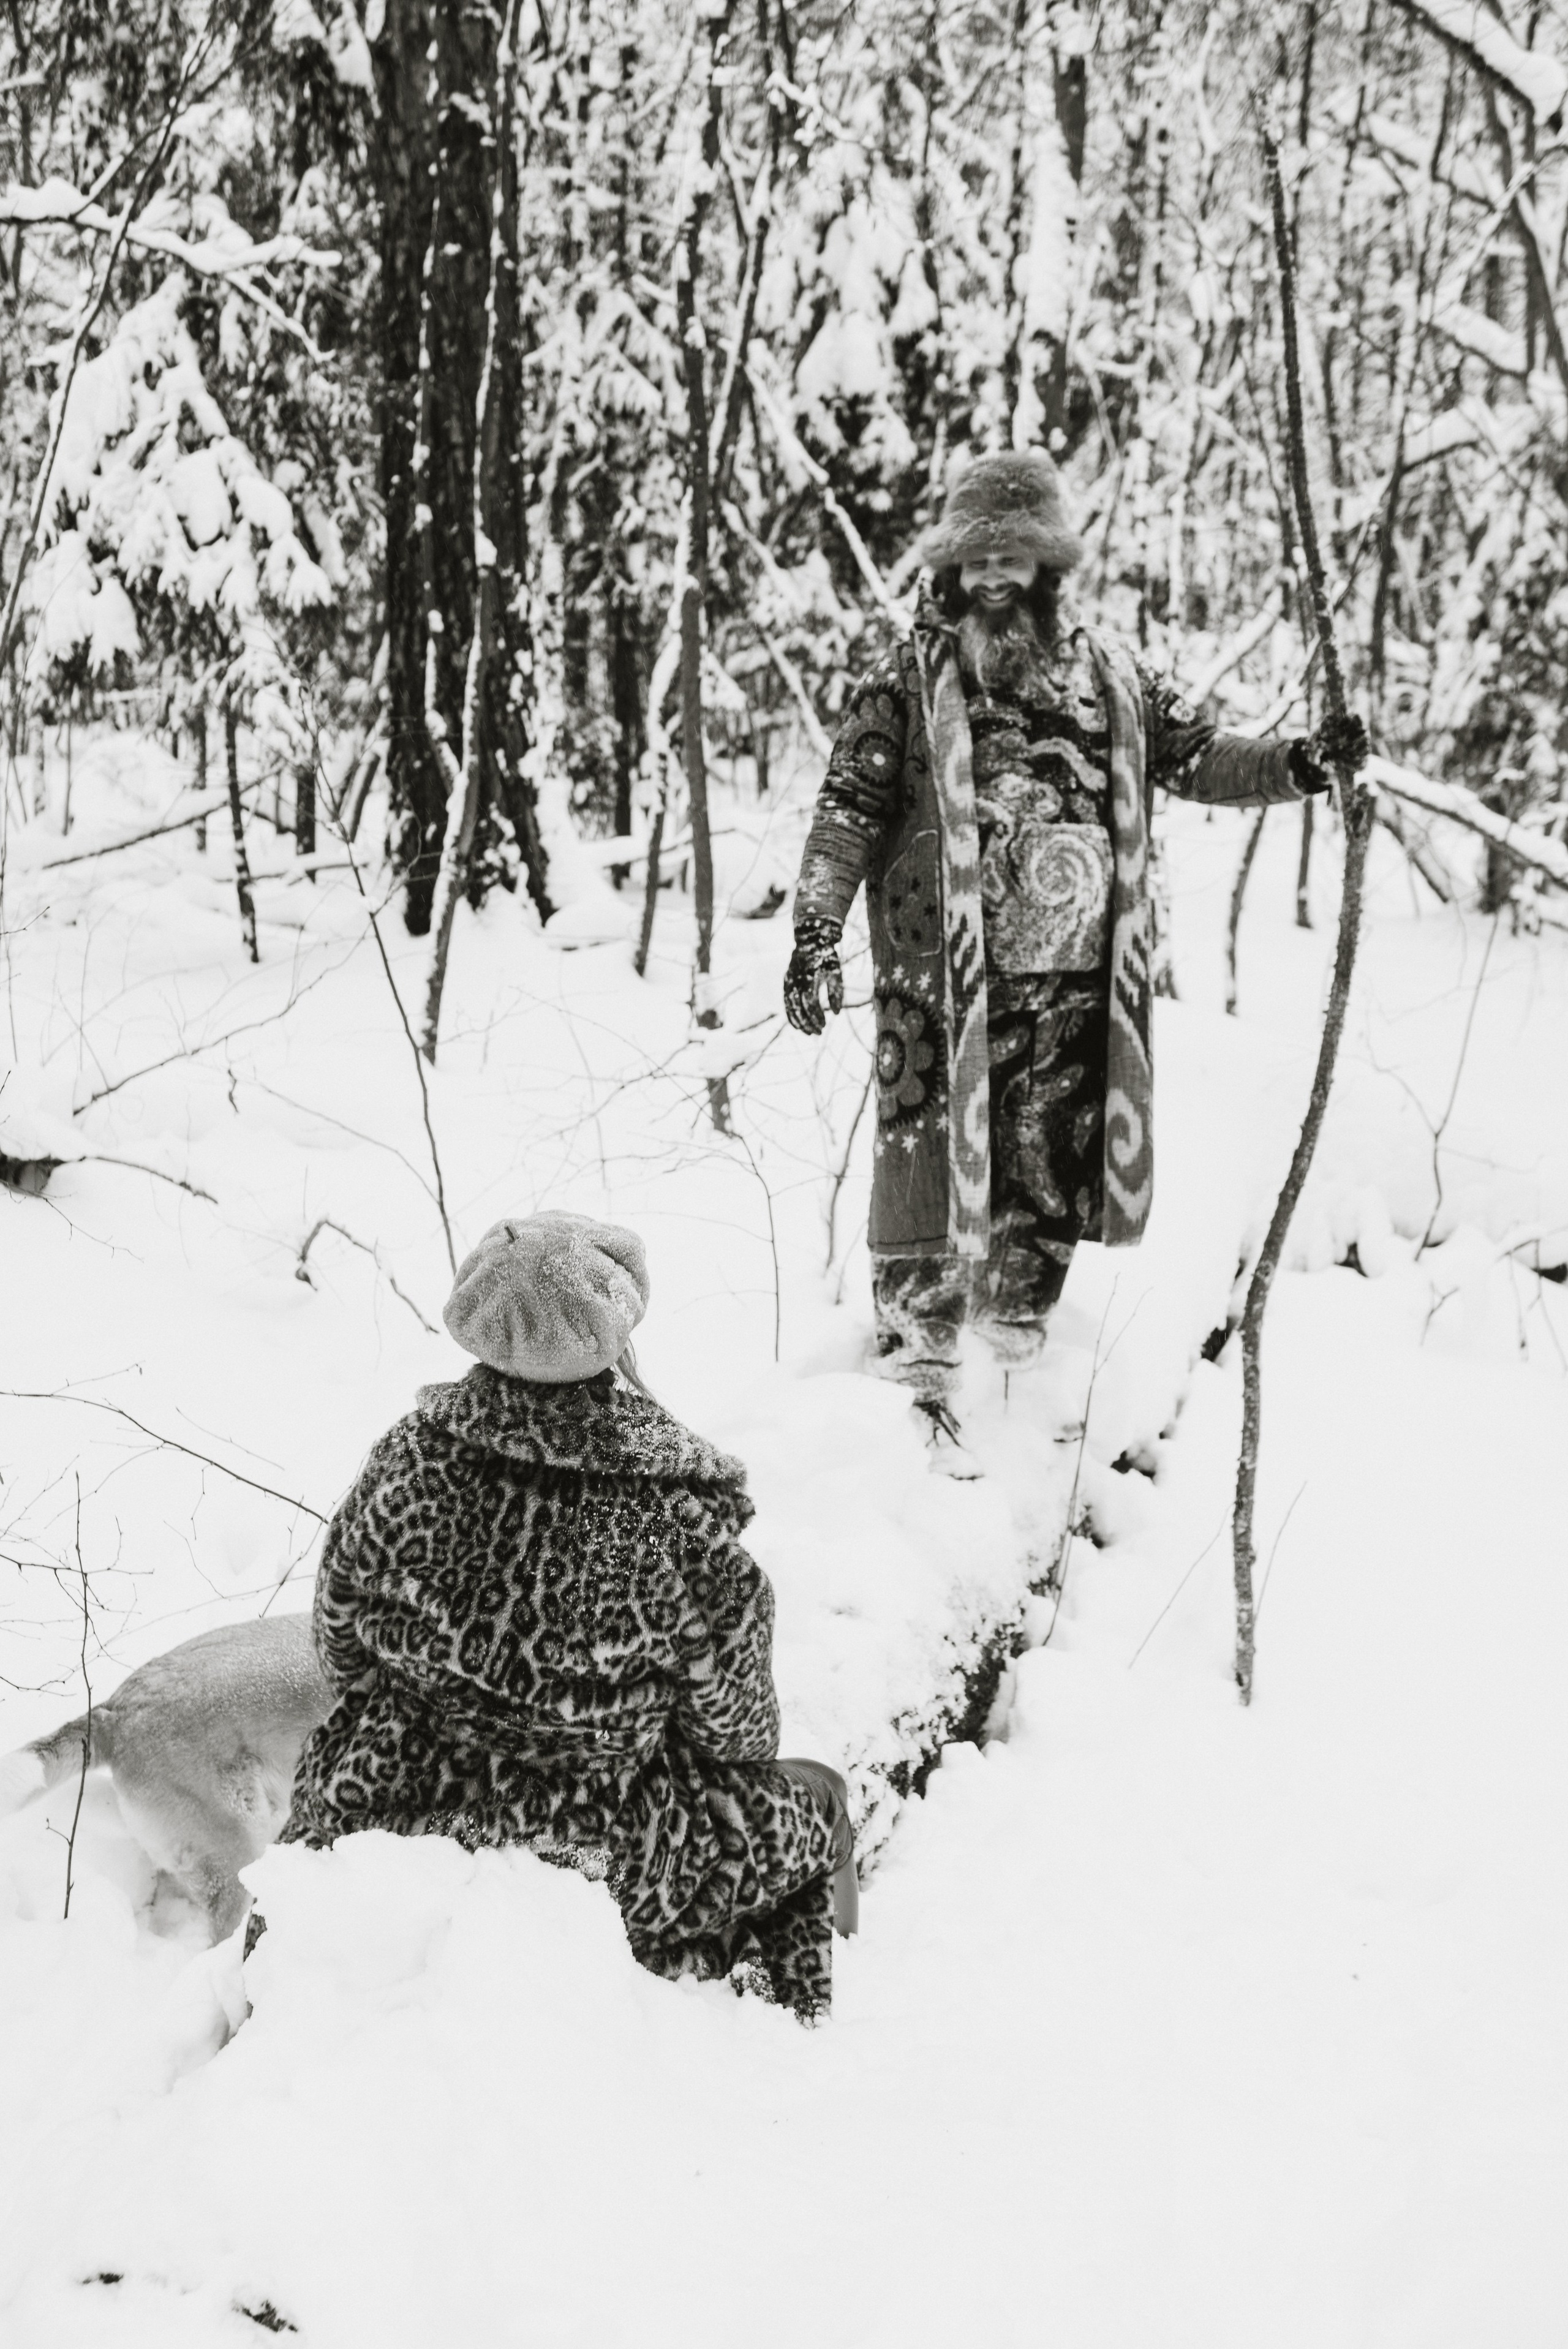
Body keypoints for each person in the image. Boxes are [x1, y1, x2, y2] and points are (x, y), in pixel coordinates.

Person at [785, 450, 1368, 1472]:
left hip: (1080, 992)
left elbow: (1198, 755)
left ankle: (1018, 1385)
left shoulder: (1108, 672)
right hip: (949, 992)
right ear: (950, 568)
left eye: (1015, 555)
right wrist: (813, 930)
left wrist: (1299, 766)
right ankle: (912, 1396)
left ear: (1051, 566)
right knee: (932, 1179)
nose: (995, 576)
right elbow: (849, 808)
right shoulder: (906, 676)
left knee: (1048, 1176)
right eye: (977, 560)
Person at [275, 1210, 856, 2021]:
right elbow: (740, 1736)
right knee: (820, 1803)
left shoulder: (404, 1458)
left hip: (374, 1816)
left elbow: (340, 1646)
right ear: (615, 1326)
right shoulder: (677, 1511)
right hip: (590, 1852)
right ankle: (790, 2037)